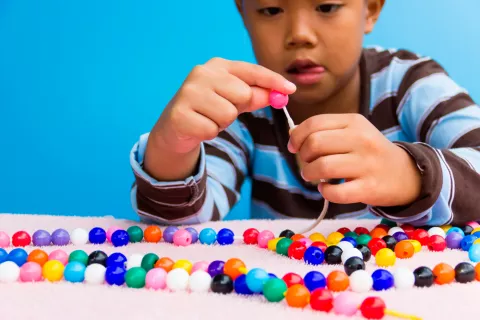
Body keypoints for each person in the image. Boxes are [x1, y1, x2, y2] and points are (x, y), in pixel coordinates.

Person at [129, 0, 480, 227]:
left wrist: (411, 175)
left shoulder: (408, 83)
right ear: (243, 14)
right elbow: (178, 224)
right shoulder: (240, 107)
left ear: (370, 9)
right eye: (270, 10)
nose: (299, 35)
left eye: (326, 6)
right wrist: (172, 146)